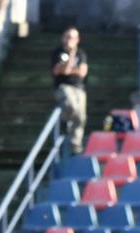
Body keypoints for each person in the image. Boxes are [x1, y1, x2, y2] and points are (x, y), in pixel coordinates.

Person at [51, 27, 88, 155]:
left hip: (79, 88)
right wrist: (71, 56)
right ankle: (64, 123)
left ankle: (76, 145)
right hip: (64, 86)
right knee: (72, 107)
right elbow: (61, 71)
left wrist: (68, 69)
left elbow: (82, 72)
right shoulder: (58, 53)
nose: (69, 40)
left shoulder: (81, 54)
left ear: (77, 40)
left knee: (81, 117)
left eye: (72, 37)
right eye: (67, 37)